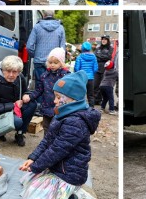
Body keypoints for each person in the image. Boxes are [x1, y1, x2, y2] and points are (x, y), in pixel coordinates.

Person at [18, 70, 101, 198]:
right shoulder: (62, 113)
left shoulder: (76, 123)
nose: (55, 101)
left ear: (72, 99)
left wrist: (36, 166)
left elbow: (57, 150)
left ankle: (71, 195)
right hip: (58, 167)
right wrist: (33, 158)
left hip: (69, 174)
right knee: (28, 180)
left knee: (34, 194)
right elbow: (47, 140)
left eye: (58, 97)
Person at [0, 55, 37, 147]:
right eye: (8, 71)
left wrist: (26, 95)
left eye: (15, 72)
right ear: (2, 69)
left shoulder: (20, 77)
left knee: (32, 104)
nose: (11, 75)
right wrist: (13, 105)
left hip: (14, 109)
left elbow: (26, 91)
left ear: (19, 72)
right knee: (17, 122)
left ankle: (20, 133)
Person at [24, 47, 69, 133]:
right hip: (46, 107)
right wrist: (30, 96)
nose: (52, 65)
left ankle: (55, 145)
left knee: (58, 129)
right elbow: (39, 90)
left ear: (61, 63)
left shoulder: (66, 76)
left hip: (60, 109)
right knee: (46, 128)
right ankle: (46, 145)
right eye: (50, 62)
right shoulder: (44, 76)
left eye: (55, 63)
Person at [26, 10, 66, 88]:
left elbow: (29, 46)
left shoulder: (37, 27)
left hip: (39, 61)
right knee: (53, 86)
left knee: (39, 87)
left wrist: (35, 55)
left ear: (43, 15)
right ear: (53, 15)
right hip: (55, 62)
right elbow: (62, 48)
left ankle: (40, 100)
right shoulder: (60, 28)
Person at [75, 41, 98, 107]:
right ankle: (91, 109)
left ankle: (80, 108)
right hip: (90, 79)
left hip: (82, 78)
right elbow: (95, 69)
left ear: (82, 48)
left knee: (80, 95)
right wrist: (91, 74)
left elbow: (77, 68)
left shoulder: (79, 57)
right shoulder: (94, 57)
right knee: (91, 95)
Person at [94, 35, 112, 105]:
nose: (103, 40)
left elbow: (108, 57)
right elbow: (95, 56)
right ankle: (95, 99)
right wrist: (102, 57)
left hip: (105, 69)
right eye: (102, 39)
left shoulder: (110, 48)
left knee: (102, 86)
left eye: (105, 39)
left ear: (108, 41)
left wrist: (100, 56)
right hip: (97, 69)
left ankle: (99, 99)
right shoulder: (98, 48)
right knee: (95, 85)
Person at [99, 49, 118, 115]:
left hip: (101, 86)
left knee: (105, 98)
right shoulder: (115, 72)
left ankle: (102, 108)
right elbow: (118, 78)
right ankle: (111, 110)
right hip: (108, 86)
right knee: (111, 98)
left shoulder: (106, 71)